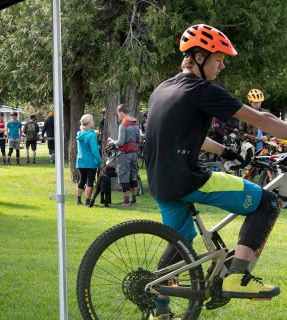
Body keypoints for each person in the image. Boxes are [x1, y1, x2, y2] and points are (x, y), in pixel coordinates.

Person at [146, 24, 287, 319]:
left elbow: (186, 135)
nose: (222, 65)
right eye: (219, 58)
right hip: (188, 179)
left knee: (180, 242)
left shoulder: (163, 89)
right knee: (267, 201)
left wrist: (227, 151)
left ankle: (158, 305)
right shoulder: (202, 91)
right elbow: (261, 119)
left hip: (161, 182)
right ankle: (238, 277)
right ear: (198, 57)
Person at [108, 103, 141, 207]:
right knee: (133, 176)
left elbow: (120, 142)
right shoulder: (135, 123)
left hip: (124, 154)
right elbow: (139, 140)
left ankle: (126, 201)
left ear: (121, 112)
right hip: (134, 154)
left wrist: (113, 141)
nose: (118, 115)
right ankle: (134, 200)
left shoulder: (123, 125)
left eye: (118, 113)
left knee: (124, 176)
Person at [76, 114, 102, 206]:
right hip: (90, 162)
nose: (94, 122)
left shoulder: (79, 134)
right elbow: (94, 151)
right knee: (90, 181)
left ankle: (78, 200)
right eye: (93, 120)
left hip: (80, 161)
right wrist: (100, 161)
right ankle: (87, 201)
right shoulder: (91, 135)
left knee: (81, 180)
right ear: (89, 123)